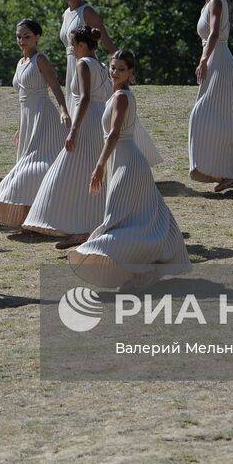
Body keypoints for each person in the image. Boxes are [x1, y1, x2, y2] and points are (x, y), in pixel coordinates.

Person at [68, 51, 189, 289]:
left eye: (121, 69)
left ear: (131, 73)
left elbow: (114, 133)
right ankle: (140, 272)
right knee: (135, 217)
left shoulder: (122, 97)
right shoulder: (116, 96)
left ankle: (119, 257)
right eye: (113, 68)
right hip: (122, 161)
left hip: (128, 163)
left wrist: (99, 166)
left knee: (119, 218)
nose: (115, 72)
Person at [23, 26, 111, 248]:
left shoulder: (83, 64)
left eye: (73, 44)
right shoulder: (101, 65)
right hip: (101, 120)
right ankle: (88, 228)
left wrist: (73, 130)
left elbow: (85, 98)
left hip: (89, 122)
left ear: (81, 45)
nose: (71, 48)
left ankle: (83, 228)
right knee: (90, 174)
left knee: (65, 172)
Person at [0, 19, 68, 227]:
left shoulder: (40, 59)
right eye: (19, 37)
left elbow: (55, 87)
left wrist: (63, 110)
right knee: (25, 163)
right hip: (28, 120)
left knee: (36, 167)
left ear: (37, 37)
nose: (22, 40)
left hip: (44, 117)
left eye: (27, 36)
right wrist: (19, 126)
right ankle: (29, 217)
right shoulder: (20, 62)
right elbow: (22, 98)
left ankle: (44, 214)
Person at [186, 0, 233, 192]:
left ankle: (232, 171)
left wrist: (204, 58)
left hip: (218, 59)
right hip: (215, 58)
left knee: (202, 113)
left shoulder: (215, 2)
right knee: (219, 115)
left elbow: (214, 33)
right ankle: (227, 172)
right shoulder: (207, 4)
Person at [57, 0, 118, 98]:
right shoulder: (66, 14)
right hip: (71, 64)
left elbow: (106, 39)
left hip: (86, 63)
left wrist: (123, 64)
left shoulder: (87, 11)